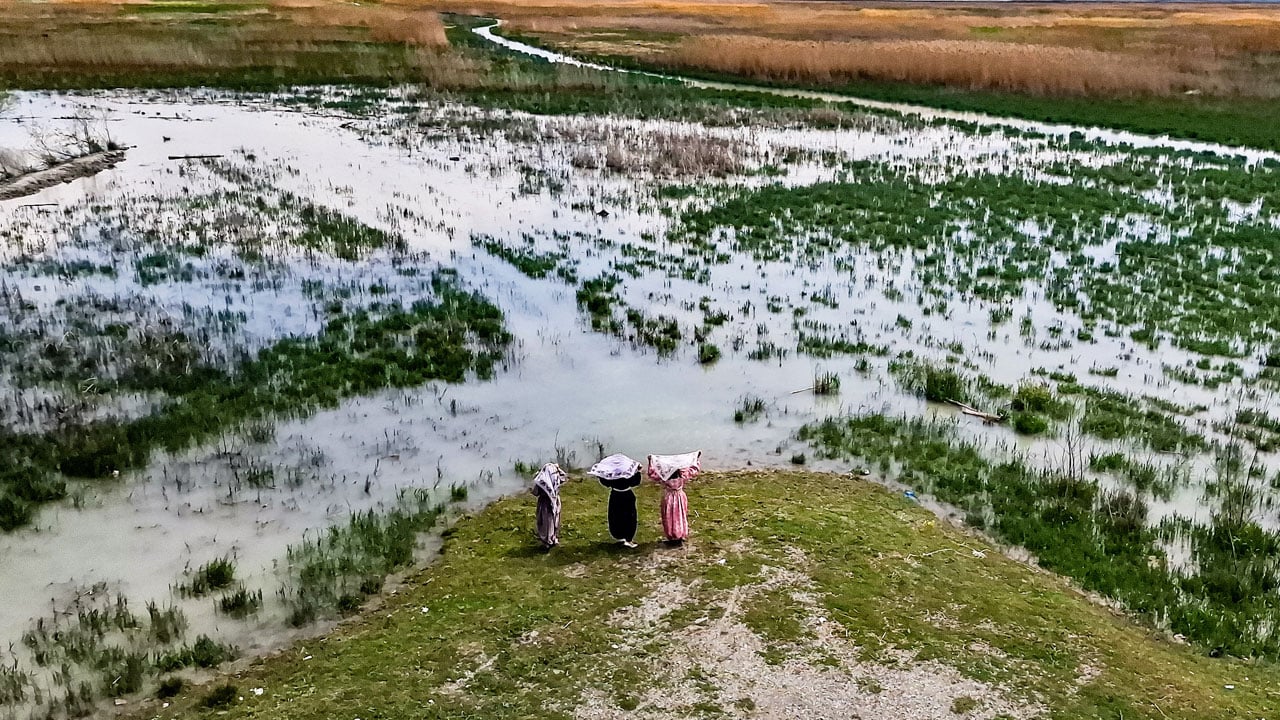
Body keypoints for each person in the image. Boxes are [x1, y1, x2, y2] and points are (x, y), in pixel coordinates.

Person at [588, 453, 642, 548]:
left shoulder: (612, 475)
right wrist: (638, 471)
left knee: (616, 516)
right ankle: (629, 538)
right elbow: (636, 482)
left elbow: (606, 482)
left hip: (615, 496)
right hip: (627, 495)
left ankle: (619, 535)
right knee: (630, 517)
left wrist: (600, 476)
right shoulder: (628, 474)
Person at [647, 451, 701, 544]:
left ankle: (672, 536)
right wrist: (697, 458)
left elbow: (652, 474)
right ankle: (680, 534)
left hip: (669, 498)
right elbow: (694, 470)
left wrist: (650, 461)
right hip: (680, 496)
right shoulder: (683, 475)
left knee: (669, 517)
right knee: (680, 515)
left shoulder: (665, 476)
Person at [531, 462, 568, 549]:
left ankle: (547, 541)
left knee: (546, 523)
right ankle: (553, 538)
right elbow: (564, 477)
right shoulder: (556, 478)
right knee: (554, 520)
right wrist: (557, 469)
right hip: (555, 502)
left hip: (545, 504)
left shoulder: (543, 481)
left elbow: (535, 492)